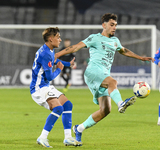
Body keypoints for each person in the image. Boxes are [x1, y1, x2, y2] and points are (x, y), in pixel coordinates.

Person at [55, 13, 154, 145]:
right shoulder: (94, 38)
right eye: (112, 25)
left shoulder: (115, 41)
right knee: (113, 82)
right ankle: (121, 104)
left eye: (116, 25)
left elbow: (124, 50)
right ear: (104, 25)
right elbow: (75, 47)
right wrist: (57, 54)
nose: (114, 28)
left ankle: (79, 129)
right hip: (93, 72)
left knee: (105, 110)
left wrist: (141, 58)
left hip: (102, 75)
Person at [30, 27, 81, 148]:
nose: (60, 39)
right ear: (51, 39)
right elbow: (50, 76)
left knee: (68, 105)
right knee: (58, 108)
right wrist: (59, 69)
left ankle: (68, 137)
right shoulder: (45, 53)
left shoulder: (49, 50)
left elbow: (54, 61)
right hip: (39, 88)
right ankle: (42, 138)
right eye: (58, 37)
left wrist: (69, 64)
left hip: (45, 86)